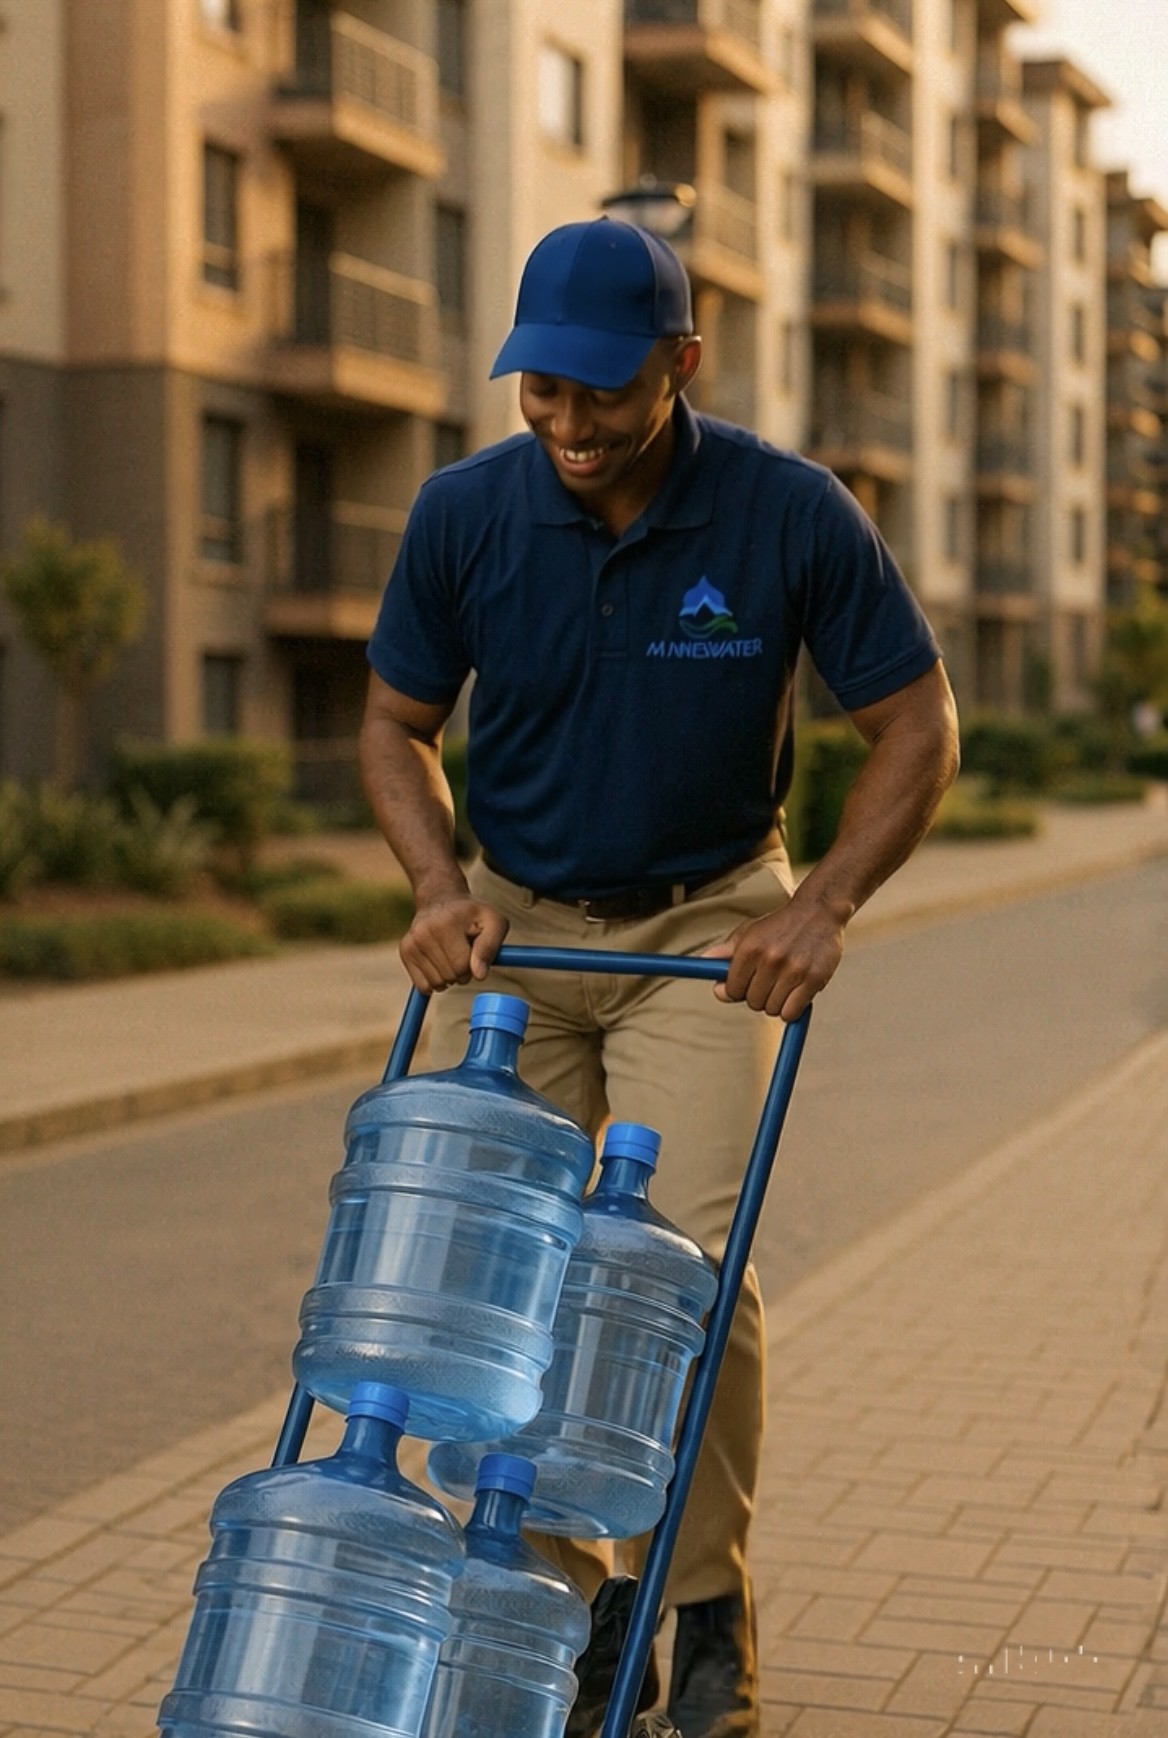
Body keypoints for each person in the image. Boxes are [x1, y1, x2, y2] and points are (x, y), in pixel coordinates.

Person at [359, 217, 960, 1738]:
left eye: (600, 393)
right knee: (507, 1282)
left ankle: (699, 1605)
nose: (567, 424)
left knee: (679, 1278)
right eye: (539, 391)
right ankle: (563, 1599)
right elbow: (392, 725)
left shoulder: (788, 514)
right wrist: (436, 887)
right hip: (518, 933)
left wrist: (819, 906)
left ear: (680, 365)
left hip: (706, 932)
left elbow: (919, 725)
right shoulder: (465, 514)